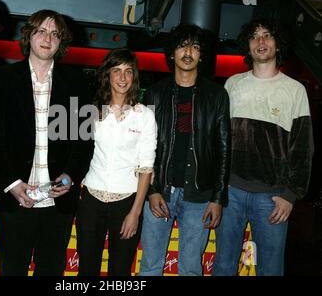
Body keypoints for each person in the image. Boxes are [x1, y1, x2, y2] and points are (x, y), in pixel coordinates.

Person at [0, 9, 89, 276]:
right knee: (12, 270)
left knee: (51, 270)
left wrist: (70, 177)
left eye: (55, 33)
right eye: (41, 30)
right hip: (16, 196)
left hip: (58, 201)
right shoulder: (3, 79)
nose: (47, 38)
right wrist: (12, 184)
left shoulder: (77, 82)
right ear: (28, 36)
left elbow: (84, 139)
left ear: (61, 42)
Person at [213, 18, 314, 276]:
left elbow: (303, 149)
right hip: (230, 193)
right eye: (255, 36)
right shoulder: (232, 84)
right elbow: (218, 139)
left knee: (269, 270)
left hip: (272, 197)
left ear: (278, 44)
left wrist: (290, 195)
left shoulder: (295, 90)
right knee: (223, 266)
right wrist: (217, 188)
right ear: (247, 46)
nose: (261, 41)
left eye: (267, 35)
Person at [139, 23, 231, 276]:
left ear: (202, 55)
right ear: (172, 53)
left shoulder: (217, 95)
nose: (188, 51)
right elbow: (145, 146)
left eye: (195, 46)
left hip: (200, 196)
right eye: (182, 45)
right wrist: (153, 191)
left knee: (191, 269)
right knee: (150, 266)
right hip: (161, 192)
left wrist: (217, 198)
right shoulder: (155, 94)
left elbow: (224, 149)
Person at [76, 48, 157, 276]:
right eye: (117, 71)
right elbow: (78, 155)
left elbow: (146, 167)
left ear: (134, 77)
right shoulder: (91, 111)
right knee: (87, 269)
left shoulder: (144, 115)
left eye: (128, 72)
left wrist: (135, 212)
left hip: (127, 201)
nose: (122, 78)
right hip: (91, 199)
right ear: (107, 75)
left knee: (120, 271)